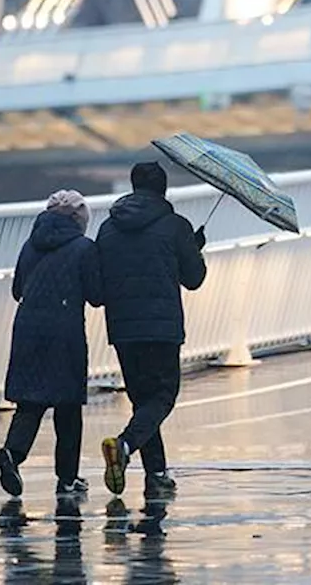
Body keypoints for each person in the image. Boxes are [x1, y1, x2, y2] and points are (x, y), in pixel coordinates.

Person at [96, 162, 207, 499]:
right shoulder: (175, 226)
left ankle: (156, 471)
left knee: (142, 399)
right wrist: (194, 247)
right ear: (164, 189)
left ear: (133, 186)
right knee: (162, 396)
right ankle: (125, 445)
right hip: (161, 326)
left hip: (124, 328)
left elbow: (101, 282)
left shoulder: (108, 228)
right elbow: (194, 279)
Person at [0, 189, 103, 498]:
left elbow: (18, 289)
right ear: (79, 220)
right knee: (68, 408)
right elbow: (97, 296)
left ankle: (12, 455)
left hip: (27, 327)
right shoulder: (84, 248)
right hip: (65, 330)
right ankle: (67, 479)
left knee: (29, 403)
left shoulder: (31, 245)